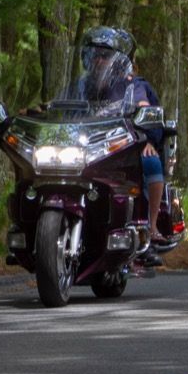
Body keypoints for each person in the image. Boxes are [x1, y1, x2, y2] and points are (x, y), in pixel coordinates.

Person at [64, 26, 166, 265]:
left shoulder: (132, 84)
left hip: (120, 144)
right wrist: (39, 113)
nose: (99, 60)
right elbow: (60, 106)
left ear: (117, 60)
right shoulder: (80, 86)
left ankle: (149, 228)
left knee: (150, 161)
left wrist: (148, 137)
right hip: (84, 145)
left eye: (105, 55)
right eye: (95, 54)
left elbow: (144, 107)